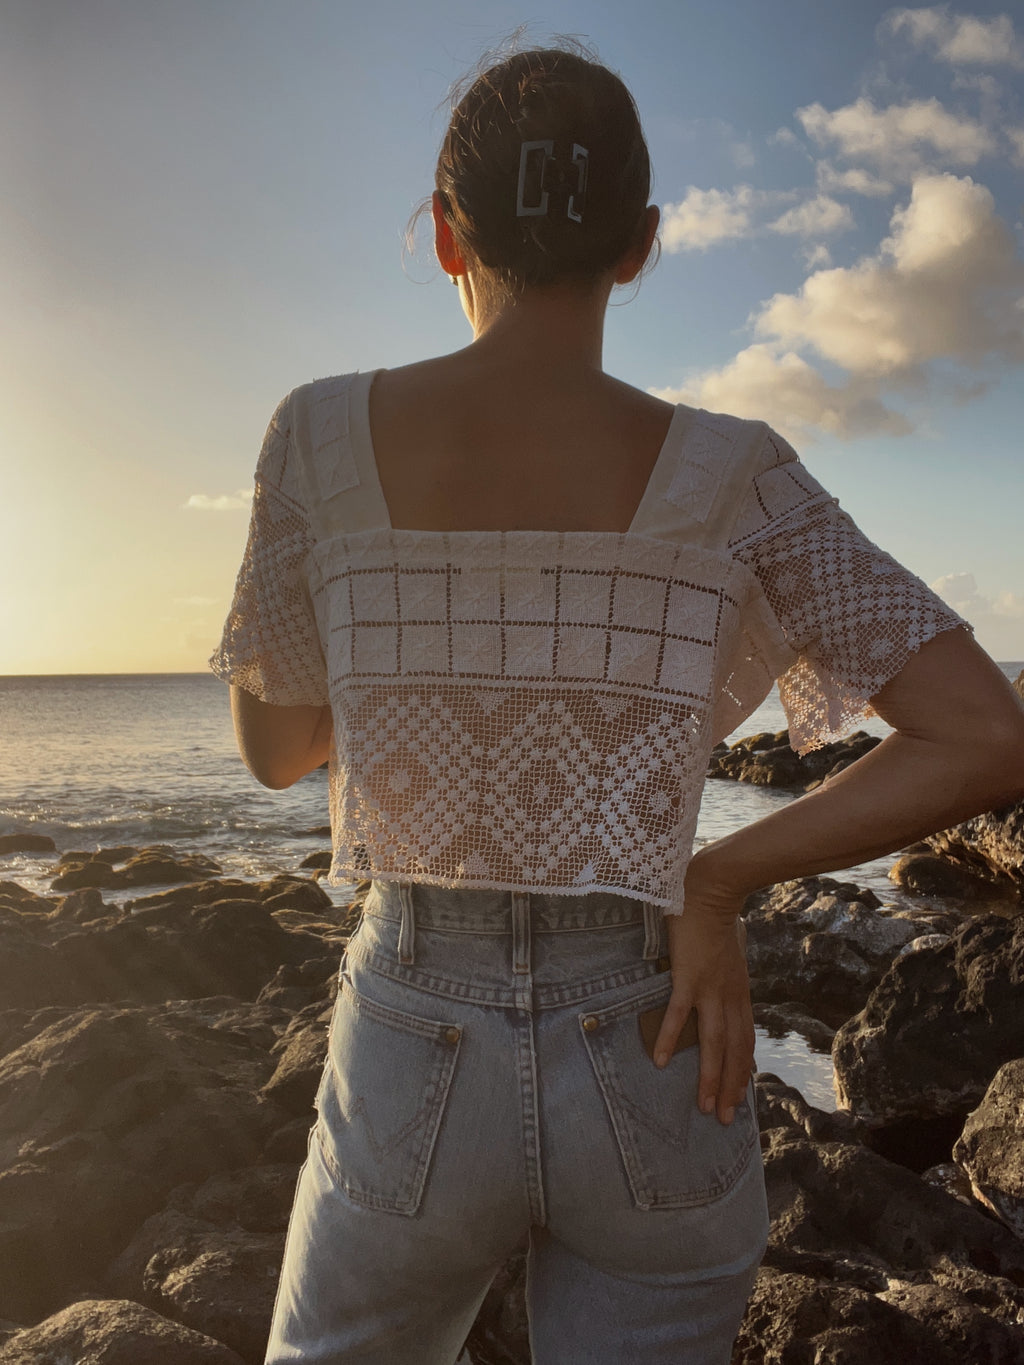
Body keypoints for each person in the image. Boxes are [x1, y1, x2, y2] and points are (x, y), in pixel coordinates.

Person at [211, 43, 1024, 1365]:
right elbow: (985, 729)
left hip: (416, 1033)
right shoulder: (734, 476)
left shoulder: (314, 439)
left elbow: (276, 749)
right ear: (641, 245)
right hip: (657, 1035)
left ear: (442, 231)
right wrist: (718, 884)